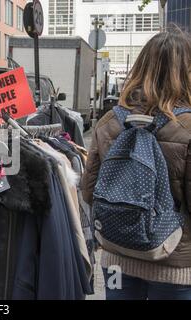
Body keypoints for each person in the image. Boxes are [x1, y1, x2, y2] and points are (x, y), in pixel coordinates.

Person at [81, 29, 191, 300]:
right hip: (174, 265)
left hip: (117, 258)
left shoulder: (110, 121)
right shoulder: (187, 127)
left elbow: (88, 190)